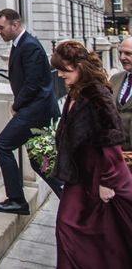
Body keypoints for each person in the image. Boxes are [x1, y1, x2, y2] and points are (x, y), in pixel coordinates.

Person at [51, 40, 132, 268]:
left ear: (79, 67)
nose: (58, 75)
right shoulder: (76, 91)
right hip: (82, 175)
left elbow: (110, 141)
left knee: (99, 233)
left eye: (63, 69)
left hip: (101, 175)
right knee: (71, 228)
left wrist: (107, 181)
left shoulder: (96, 94)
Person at [0, 8, 62, 214]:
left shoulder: (30, 46)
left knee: (2, 146)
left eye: (1, 27)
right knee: (39, 160)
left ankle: (17, 200)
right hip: (35, 110)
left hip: (36, 110)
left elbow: (33, 84)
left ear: (15, 25)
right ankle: (69, 197)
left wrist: (16, 105)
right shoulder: (21, 44)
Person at [110, 36, 132, 150]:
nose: (122, 57)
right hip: (117, 154)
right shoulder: (114, 79)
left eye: (128, 53)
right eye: (120, 53)